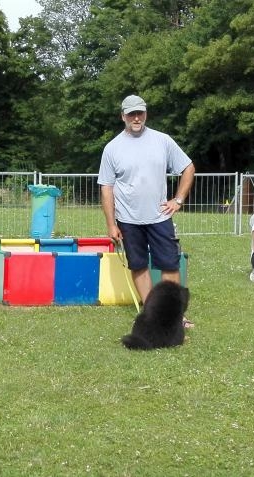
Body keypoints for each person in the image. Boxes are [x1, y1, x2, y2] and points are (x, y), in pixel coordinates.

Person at [98, 94, 195, 325]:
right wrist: (111, 224)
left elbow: (188, 167)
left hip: (160, 216)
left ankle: (174, 315)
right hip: (128, 220)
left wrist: (178, 200)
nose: (136, 117)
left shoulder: (163, 141)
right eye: (131, 113)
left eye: (140, 112)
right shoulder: (112, 148)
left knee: (170, 264)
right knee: (139, 265)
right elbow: (106, 188)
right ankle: (152, 312)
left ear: (145, 114)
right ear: (123, 116)